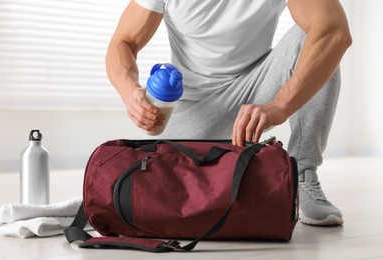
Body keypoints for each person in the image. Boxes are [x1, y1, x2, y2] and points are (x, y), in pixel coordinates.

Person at [105, 0, 352, 226]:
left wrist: (280, 105)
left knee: (322, 36)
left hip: (256, 87)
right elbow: (124, 41)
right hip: (195, 107)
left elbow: (335, 32)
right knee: (158, 188)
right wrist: (130, 93)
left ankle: (303, 174)